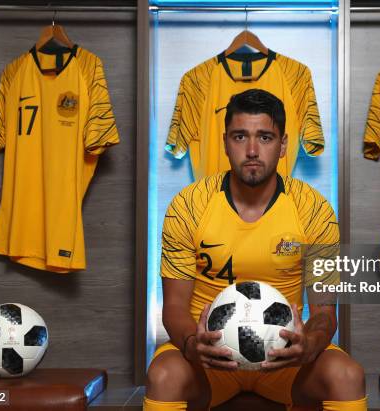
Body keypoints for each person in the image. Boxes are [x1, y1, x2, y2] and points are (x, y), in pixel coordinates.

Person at [144, 89, 367, 411]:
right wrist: (194, 345)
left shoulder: (313, 209)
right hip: (209, 360)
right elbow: (175, 307)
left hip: (284, 360)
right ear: (224, 142)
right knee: (163, 376)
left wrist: (309, 345)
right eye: (240, 136)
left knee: (347, 375)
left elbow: (323, 313)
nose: (251, 150)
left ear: (283, 145)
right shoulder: (188, 205)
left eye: (264, 137)